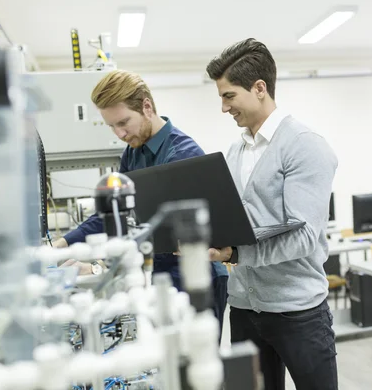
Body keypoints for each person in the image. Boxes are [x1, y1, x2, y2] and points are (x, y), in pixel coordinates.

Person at [205, 38, 339, 390]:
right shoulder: (235, 150)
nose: (223, 108)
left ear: (259, 88)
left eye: (228, 96)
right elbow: (237, 222)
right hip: (245, 309)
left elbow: (304, 237)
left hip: (298, 312)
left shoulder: (305, 145)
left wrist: (236, 253)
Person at [52, 70, 229, 331]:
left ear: (147, 106)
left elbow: (155, 230)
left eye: (123, 122)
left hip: (194, 277)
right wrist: (59, 245)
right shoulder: (132, 153)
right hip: (161, 275)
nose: (119, 133)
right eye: (111, 126)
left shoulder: (181, 155)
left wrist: (101, 267)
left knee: (191, 366)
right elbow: (112, 213)